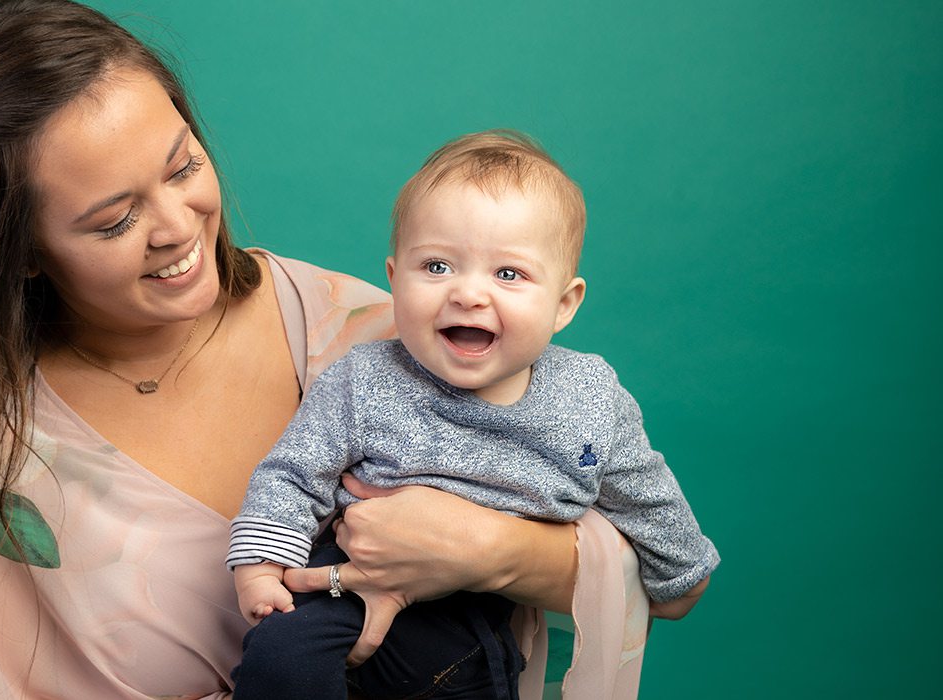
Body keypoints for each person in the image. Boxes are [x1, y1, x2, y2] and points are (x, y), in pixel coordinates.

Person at [0, 1, 652, 698]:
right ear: (16, 248)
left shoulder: (384, 334)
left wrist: (485, 549)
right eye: (115, 219)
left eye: (183, 164)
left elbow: (650, 567)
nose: (178, 225)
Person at [228, 130, 720, 699]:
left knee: (468, 678)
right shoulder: (364, 379)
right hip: (350, 586)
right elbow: (294, 472)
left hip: (477, 620)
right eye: (436, 266)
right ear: (394, 279)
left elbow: (646, 497)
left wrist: (680, 572)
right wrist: (260, 568)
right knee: (282, 656)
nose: (467, 294)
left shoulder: (591, 401)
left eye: (507, 274)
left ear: (564, 304)